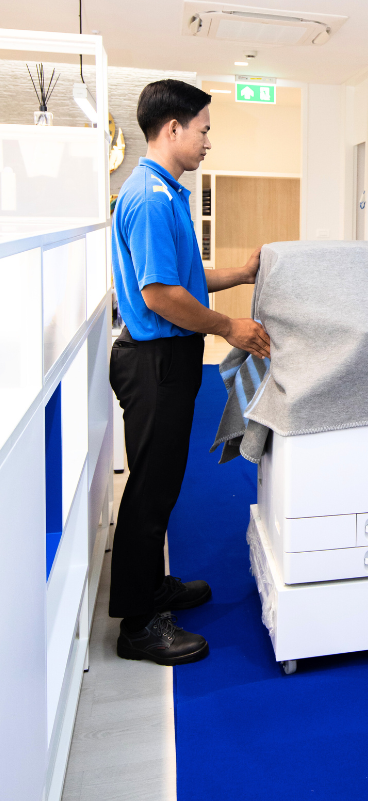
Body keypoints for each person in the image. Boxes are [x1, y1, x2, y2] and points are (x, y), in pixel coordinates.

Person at [110, 79, 270, 666]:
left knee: (162, 485)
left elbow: (186, 277)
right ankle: (138, 626)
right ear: (173, 128)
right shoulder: (151, 198)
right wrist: (229, 327)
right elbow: (159, 294)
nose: (207, 141)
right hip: (154, 361)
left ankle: (153, 589)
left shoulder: (165, 191)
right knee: (150, 492)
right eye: (203, 130)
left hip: (168, 359)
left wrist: (242, 273)